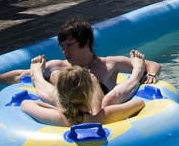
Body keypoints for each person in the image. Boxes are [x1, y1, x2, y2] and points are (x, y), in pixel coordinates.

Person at [0, 17, 163, 91]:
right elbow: (21, 75)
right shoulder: (58, 67)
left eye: (70, 45)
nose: (64, 51)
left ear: (86, 43)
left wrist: (151, 75)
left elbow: (151, 64)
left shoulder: (110, 64)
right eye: (62, 46)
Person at [17, 53, 148, 127]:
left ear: (61, 95)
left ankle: (36, 75)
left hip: (65, 111)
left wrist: (62, 110)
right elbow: (139, 103)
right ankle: (137, 72)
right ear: (90, 92)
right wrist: (110, 109)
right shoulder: (104, 116)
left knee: (55, 76)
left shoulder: (58, 117)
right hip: (97, 113)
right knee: (109, 98)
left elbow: (26, 104)